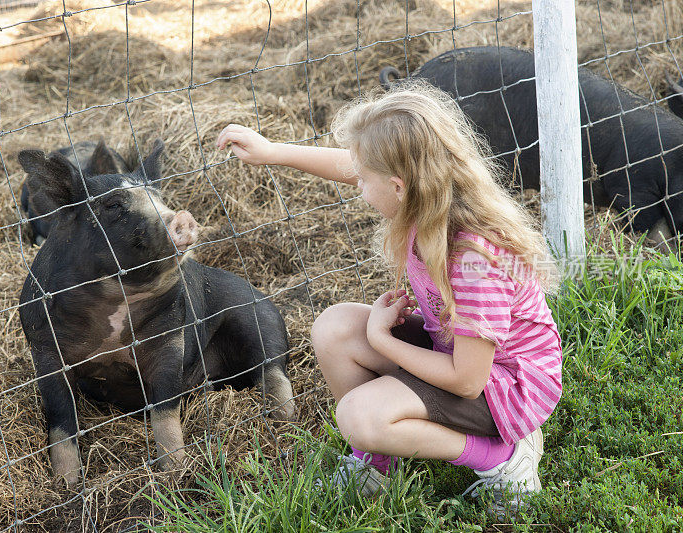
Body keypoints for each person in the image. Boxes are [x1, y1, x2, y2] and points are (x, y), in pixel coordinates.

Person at [216, 79, 563, 515]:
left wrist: (385, 341)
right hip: (461, 352)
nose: (357, 184)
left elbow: (467, 380)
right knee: (336, 328)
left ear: (399, 186)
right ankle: (375, 466)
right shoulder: (431, 198)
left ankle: (504, 460)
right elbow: (353, 163)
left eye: (364, 180)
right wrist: (272, 151)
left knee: (360, 417)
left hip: (506, 387)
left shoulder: (473, 259)